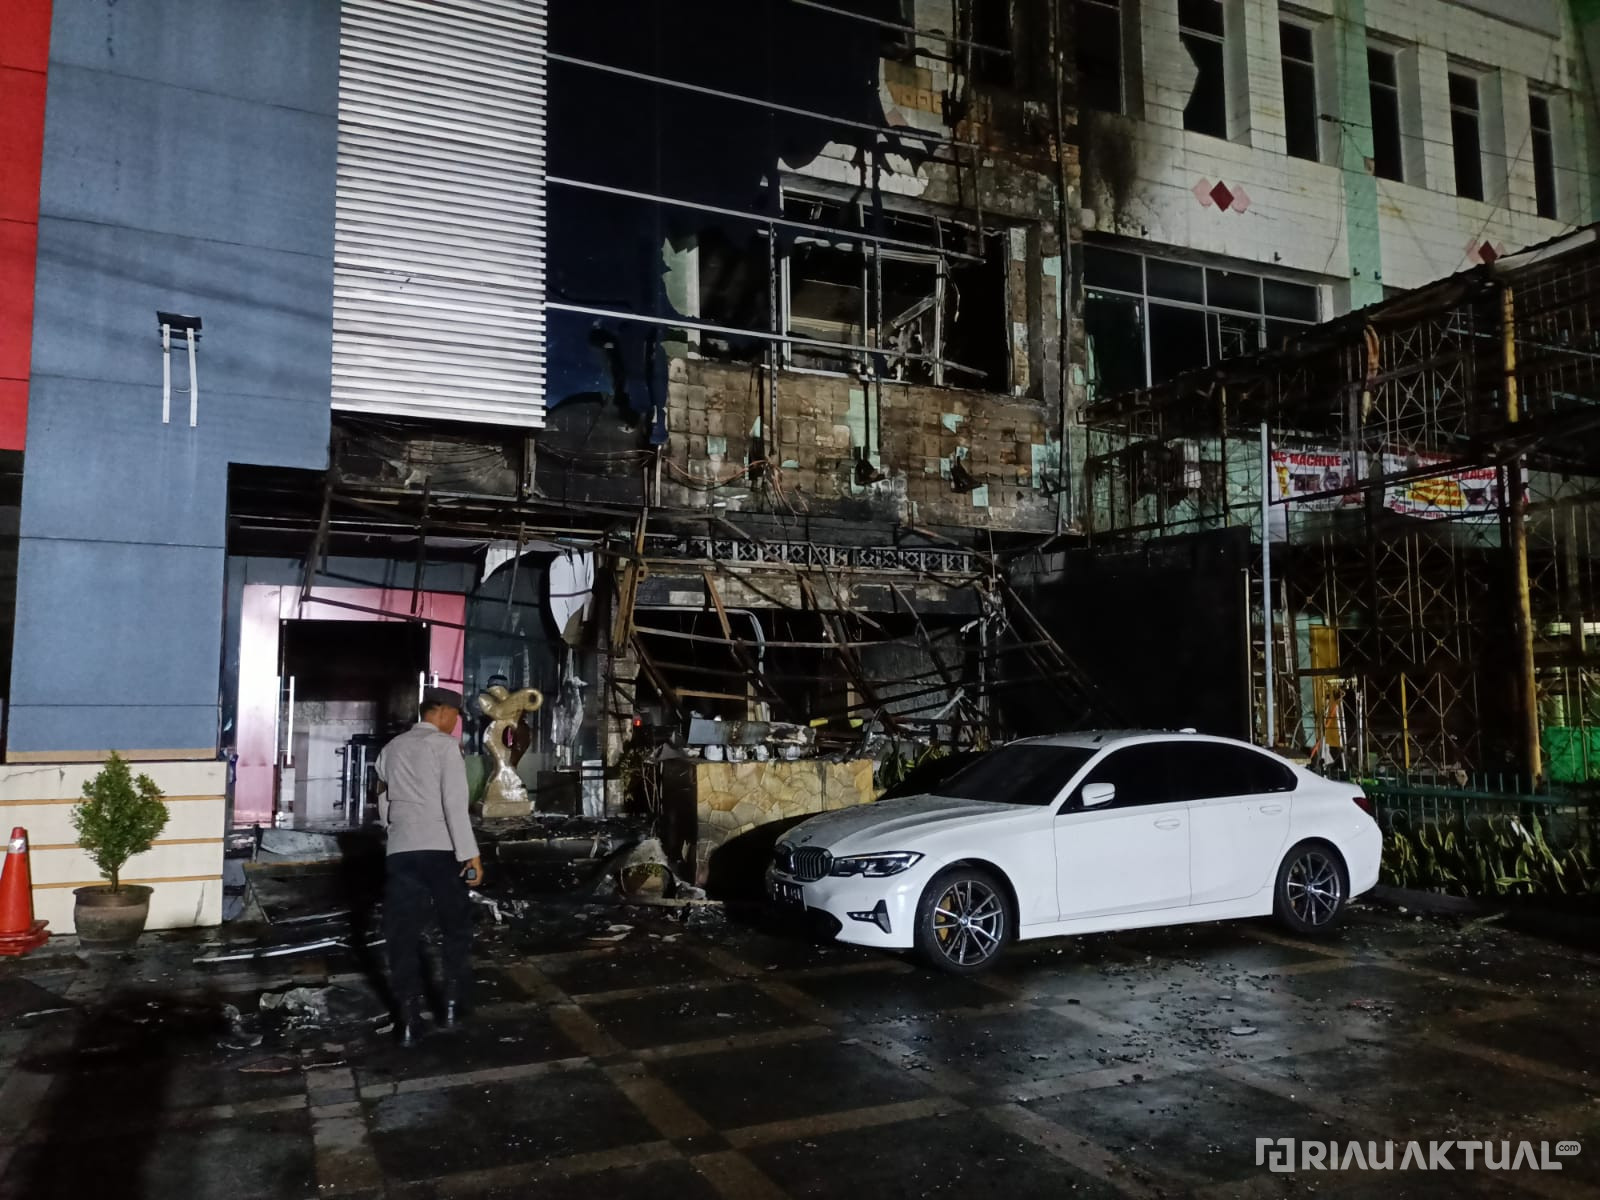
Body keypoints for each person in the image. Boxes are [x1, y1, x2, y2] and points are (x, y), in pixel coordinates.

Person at [374, 686, 483, 1047]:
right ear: (441, 712)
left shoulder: (392, 749)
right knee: (455, 926)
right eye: (455, 716)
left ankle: (408, 1019)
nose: (456, 723)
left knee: (402, 936)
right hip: (440, 850)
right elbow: (455, 804)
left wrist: (397, 833)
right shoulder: (444, 747)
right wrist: (471, 853)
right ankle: (451, 1004)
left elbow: (384, 801)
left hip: (402, 851)